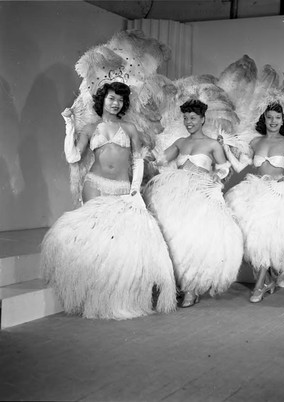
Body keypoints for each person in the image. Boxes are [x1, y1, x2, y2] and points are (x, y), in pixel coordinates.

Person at [41, 81, 177, 320]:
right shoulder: (91, 128)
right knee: (96, 245)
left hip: (123, 188)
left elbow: (138, 160)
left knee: (120, 248)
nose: (116, 103)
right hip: (95, 185)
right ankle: (93, 297)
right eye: (111, 98)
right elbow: (72, 156)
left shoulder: (130, 128)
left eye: (120, 100)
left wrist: (135, 191)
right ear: (102, 100)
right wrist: (69, 125)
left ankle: (118, 298)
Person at [143, 99, 243, 308]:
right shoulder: (180, 142)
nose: (189, 122)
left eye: (193, 118)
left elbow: (224, 168)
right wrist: (145, 155)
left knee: (193, 240)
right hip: (177, 194)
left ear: (202, 119)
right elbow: (160, 160)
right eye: (186, 118)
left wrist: (217, 176)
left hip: (200, 193)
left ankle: (191, 289)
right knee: (175, 239)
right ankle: (180, 284)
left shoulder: (212, 144)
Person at [224, 102, 284, 303]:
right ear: (264, 119)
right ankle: (267, 280)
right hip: (254, 191)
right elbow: (238, 166)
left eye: (277, 118)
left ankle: (259, 285)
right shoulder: (255, 142)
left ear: (283, 120)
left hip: (276, 194)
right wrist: (226, 148)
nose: (273, 121)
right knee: (252, 237)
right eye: (269, 117)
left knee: (265, 239)